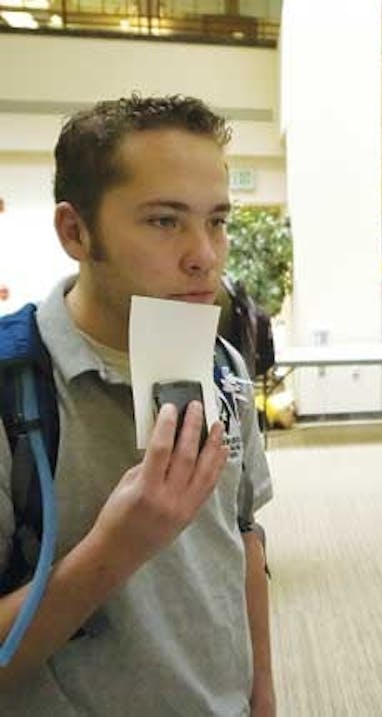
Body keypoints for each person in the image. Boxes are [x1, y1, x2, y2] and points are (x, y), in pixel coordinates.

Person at [0, 96, 274, 716]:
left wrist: (262, 699)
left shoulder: (222, 366)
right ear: (76, 231)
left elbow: (245, 541)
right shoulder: (13, 387)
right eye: (163, 221)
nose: (205, 254)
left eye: (218, 220)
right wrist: (115, 548)